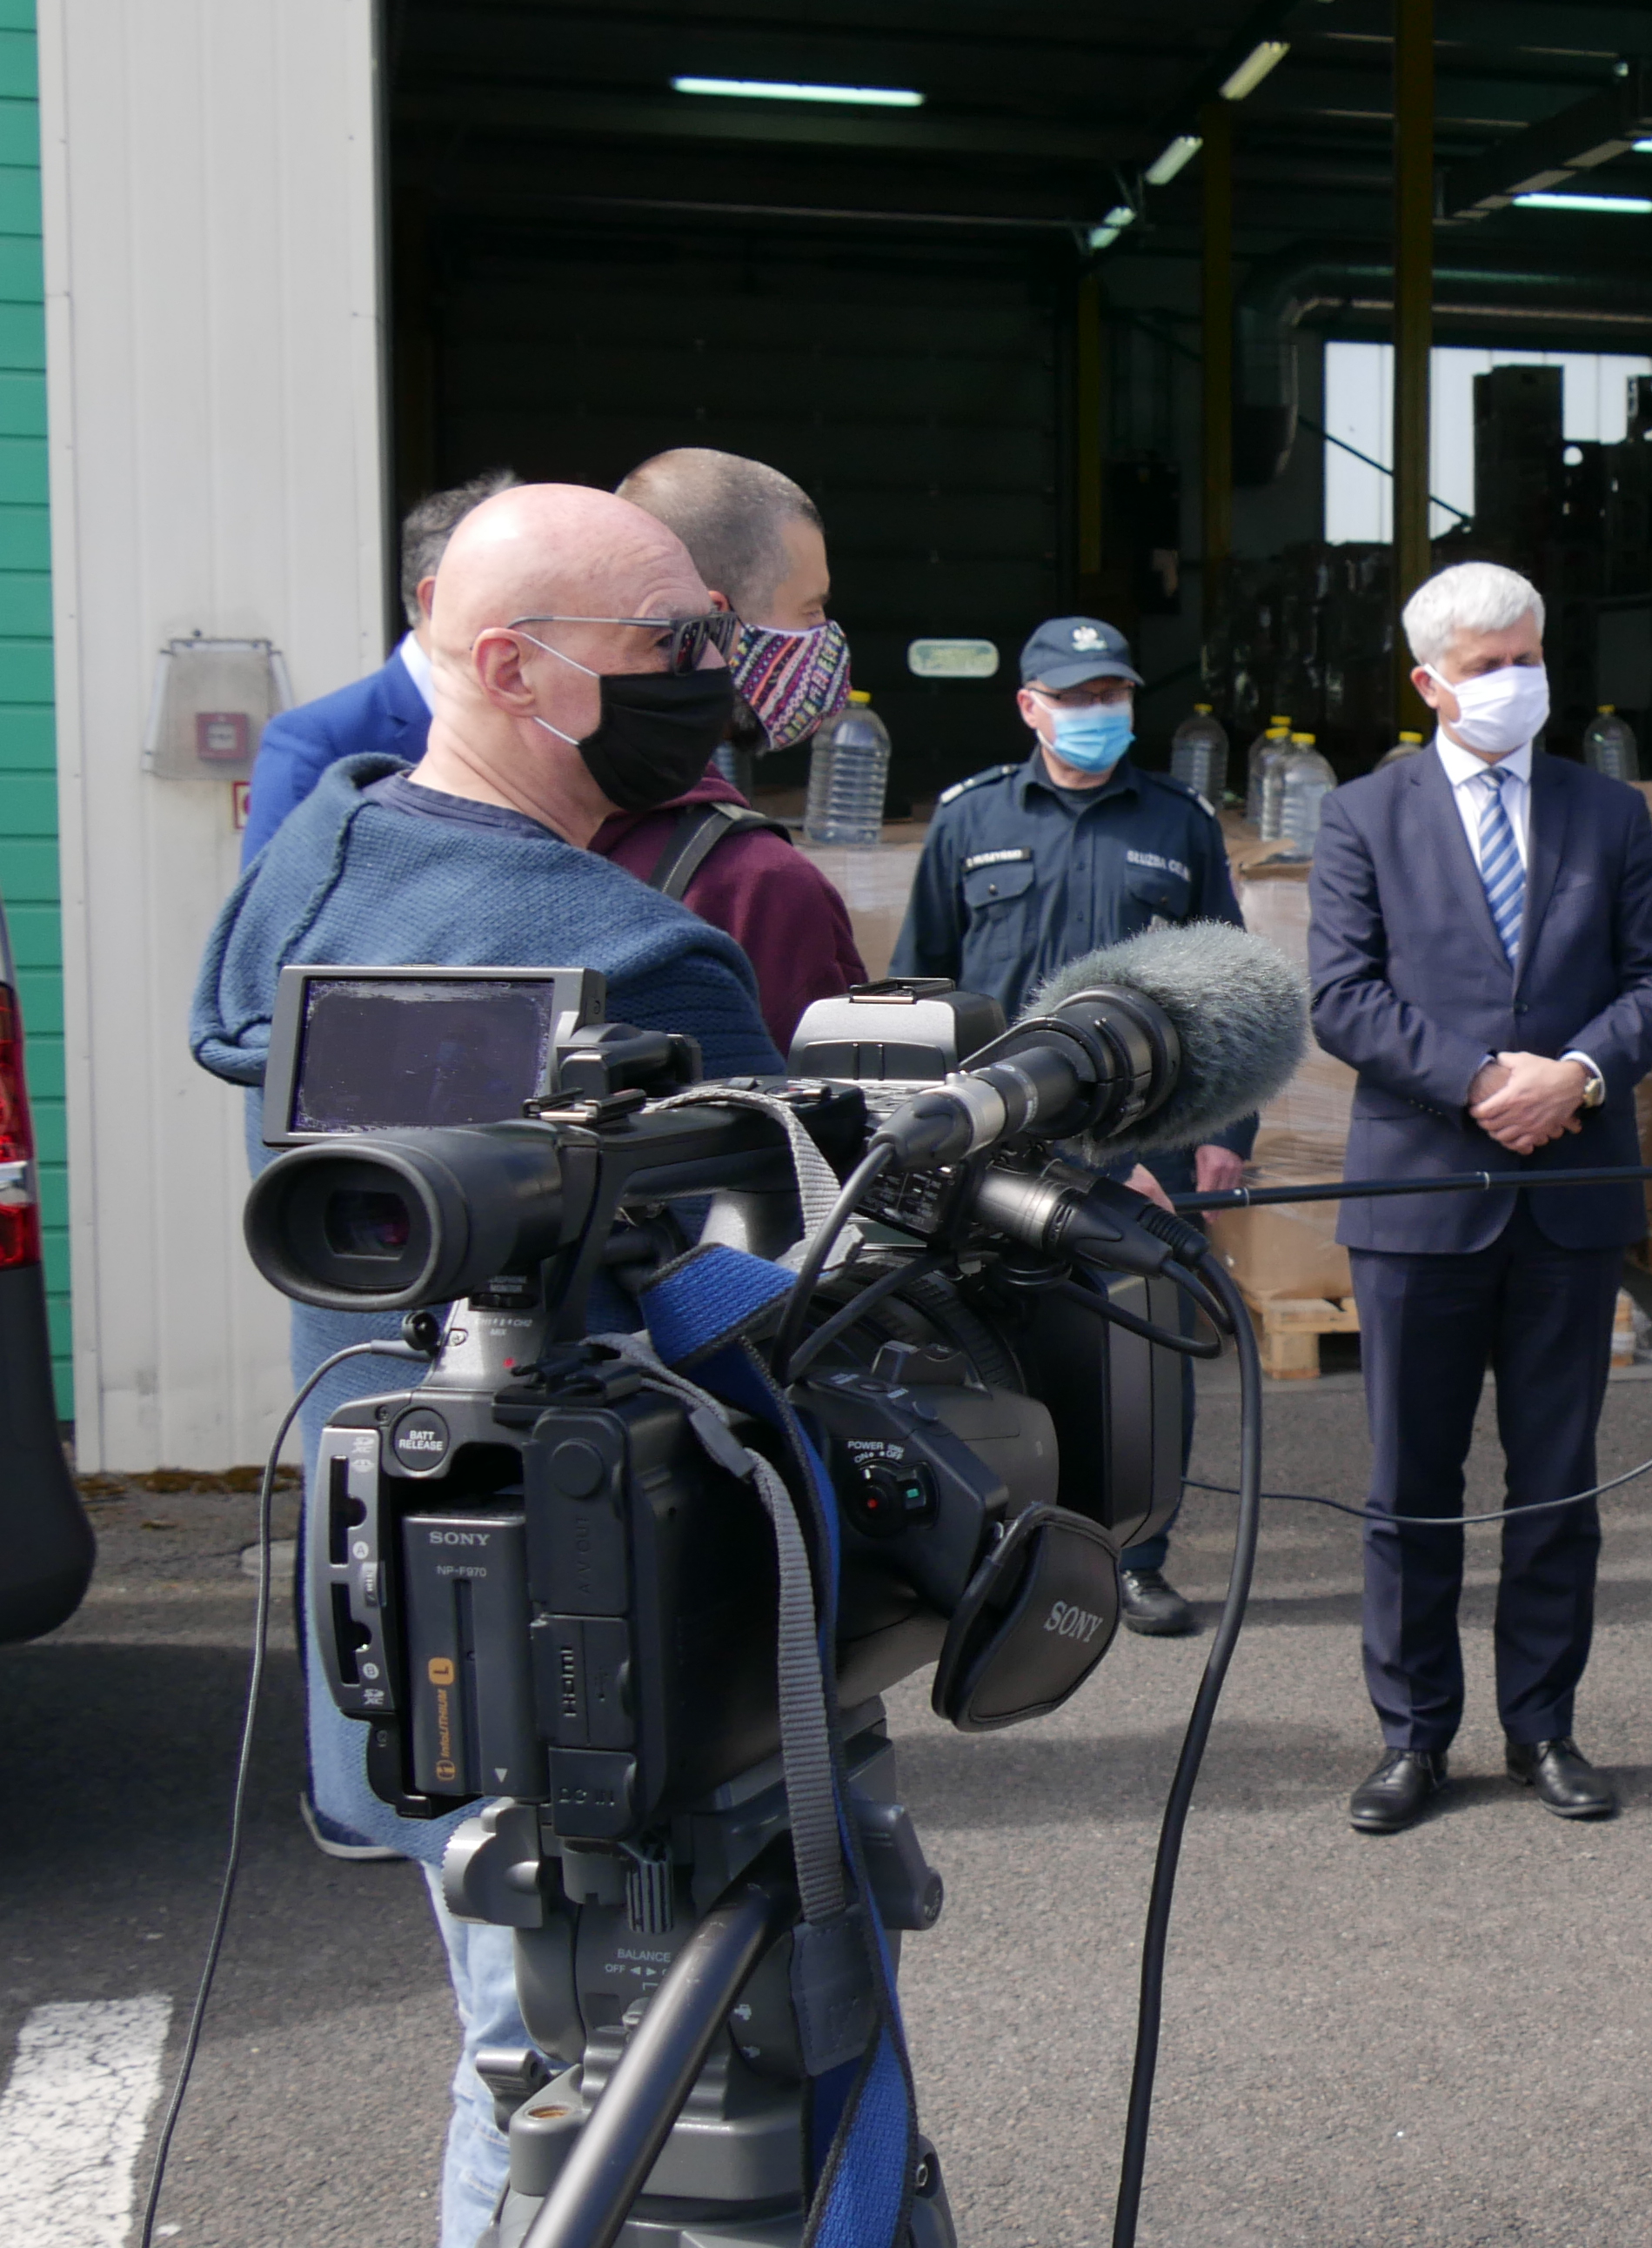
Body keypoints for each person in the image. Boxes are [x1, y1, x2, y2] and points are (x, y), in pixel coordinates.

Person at [191, 482, 783, 2248]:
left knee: (517, 2049)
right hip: (614, 1624)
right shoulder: (643, 958)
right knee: (612, 2075)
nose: (716, 670)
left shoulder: (321, 857)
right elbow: (771, 1317)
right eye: (676, 640)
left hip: (397, 1597)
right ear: (519, 668)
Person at [1306, 562, 1652, 1834]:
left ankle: (1543, 1727)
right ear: (1429, 683)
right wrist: (1479, 1082)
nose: (1517, 682)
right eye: (1487, 666)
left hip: (1570, 1195)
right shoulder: (1363, 816)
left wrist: (1575, 1074)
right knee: (1409, 1485)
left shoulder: (1607, 812)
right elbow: (1343, 996)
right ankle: (1413, 1736)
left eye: (1529, 658)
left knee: (1556, 1482)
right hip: (1419, 1196)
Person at [891, 615, 1256, 1635]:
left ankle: (1137, 1557)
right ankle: (1008, 1552)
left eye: (1113, 694)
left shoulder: (1178, 821)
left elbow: (1233, 983)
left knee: (1146, 1349)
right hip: (1001, 1133)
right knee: (992, 1341)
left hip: (1148, 1130)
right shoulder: (969, 818)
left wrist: (1228, 1132)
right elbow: (921, 981)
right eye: (1077, 696)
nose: (1099, 711)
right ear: (1030, 707)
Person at [600, 446, 870, 1047]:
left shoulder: (521, 810)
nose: (826, 638)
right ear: (713, 619)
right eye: (811, 608)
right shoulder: (760, 884)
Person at [239, 467, 518, 863]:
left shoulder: (554, 720)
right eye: (518, 588)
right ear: (437, 600)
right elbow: (278, 900)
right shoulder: (316, 743)